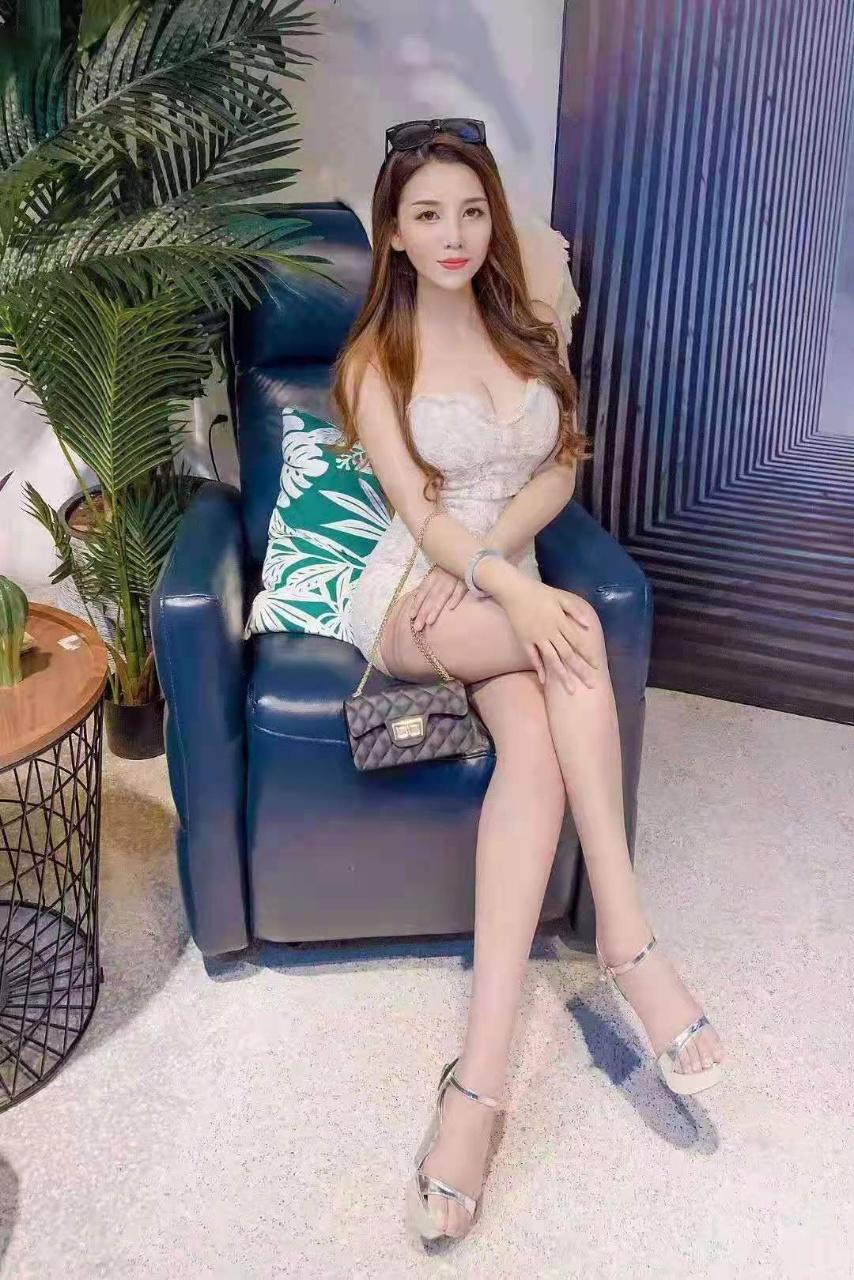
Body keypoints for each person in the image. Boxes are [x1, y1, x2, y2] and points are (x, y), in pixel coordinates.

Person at [330, 118, 727, 1247]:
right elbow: (420, 518)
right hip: (418, 597)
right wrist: (497, 580)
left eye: (469, 210)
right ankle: (628, 939)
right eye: (426, 214)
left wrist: (506, 568)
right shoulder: (373, 361)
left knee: (541, 749)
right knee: (576, 637)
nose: (452, 233)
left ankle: (479, 1085)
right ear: (393, 234)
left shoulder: (527, 327)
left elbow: (558, 467)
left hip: (500, 585)